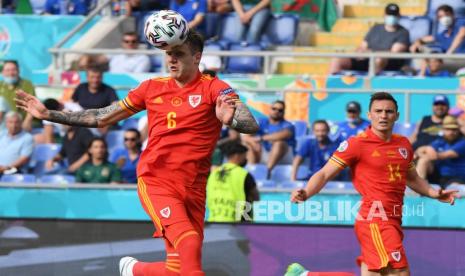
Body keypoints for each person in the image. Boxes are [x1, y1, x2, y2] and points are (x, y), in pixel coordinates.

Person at [15, 30, 258, 276]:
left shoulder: (214, 88)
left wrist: (232, 120)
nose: (172, 60)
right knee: (189, 240)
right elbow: (101, 116)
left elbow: (250, 124)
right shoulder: (151, 88)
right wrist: (51, 115)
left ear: (197, 57)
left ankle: (134, 270)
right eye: (168, 54)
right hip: (157, 180)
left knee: (177, 269)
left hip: (194, 186)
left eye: (179, 54)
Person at [289, 92, 458, 276]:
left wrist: (434, 193)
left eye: (388, 111)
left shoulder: (403, 145)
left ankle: (305, 275)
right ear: (369, 115)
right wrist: (305, 192)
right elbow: (324, 173)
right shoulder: (356, 144)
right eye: (378, 111)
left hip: (394, 219)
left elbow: (412, 178)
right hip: (375, 220)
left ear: (397, 116)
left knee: (375, 274)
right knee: (399, 272)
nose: (383, 116)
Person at [329, 3, 409, 75]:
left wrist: (372, 53)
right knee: (338, 59)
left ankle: (369, 86)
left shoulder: (403, 32)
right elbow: (363, 46)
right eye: (389, 14)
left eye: (394, 15)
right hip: (367, 59)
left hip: (386, 63)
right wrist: (360, 52)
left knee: (378, 59)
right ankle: (330, 87)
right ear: (384, 15)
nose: (391, 17)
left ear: (399, 16)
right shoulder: (375, 28)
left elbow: (394, 53)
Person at [206, 141, 259, 222]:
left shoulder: (214, 173)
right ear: (237, 156)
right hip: (239, 223)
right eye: (244, 156)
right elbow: (256, 197)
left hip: (214, 220)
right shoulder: (244, 174)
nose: (246, 160)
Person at [242, 100, 296, 178]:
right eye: (274, 109)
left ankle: (267, 172)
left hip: (283, 156)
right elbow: (245, 136)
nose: (276, 111)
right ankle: (252, 172)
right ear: (269, 109)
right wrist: (253, 142)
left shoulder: (288, 125)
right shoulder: (261, 121)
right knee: (247, 144)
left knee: (279, 143)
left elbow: (283, 135)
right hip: (265, 153)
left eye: (280, 110)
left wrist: (261, 138)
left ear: (283, 112)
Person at [416, 116, 465, 188]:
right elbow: (420, 150)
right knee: (423, 161)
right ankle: (418, 188)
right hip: (439, 175)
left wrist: (426, 151)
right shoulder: (441, 141)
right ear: (443, 130)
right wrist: (427, 148)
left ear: (458, 130)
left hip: (455, 177)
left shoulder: (462, 142)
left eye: (454, 129)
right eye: (448, 129)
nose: (451, 132)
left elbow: (439, 156)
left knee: (454, 188)